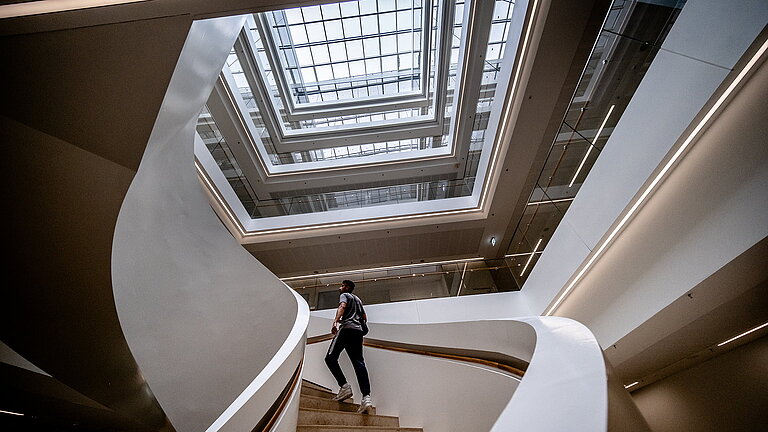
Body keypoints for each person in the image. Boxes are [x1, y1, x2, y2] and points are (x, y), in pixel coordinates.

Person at [324, 279, 372, 414]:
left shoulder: (345, 296)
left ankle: (344, 386)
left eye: (342, 285)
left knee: (330, 358)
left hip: (346, 329)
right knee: (359, 362)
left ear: (347, 287)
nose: (340, 287)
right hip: (358, 332)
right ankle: (366, 398)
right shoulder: (358, 300)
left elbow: (342, 306)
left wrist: (335, 322)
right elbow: (364, 317)